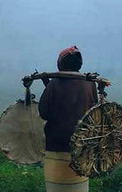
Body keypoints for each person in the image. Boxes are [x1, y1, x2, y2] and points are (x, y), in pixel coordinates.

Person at [38, 46, 98, 192]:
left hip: (57, 145)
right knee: (79, 186)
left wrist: (48, 87)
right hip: (82, 144)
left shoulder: (54, 84)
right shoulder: (90, 84)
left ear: (60, 64)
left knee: (58, 186)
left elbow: (44, 112)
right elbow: (94, 110)